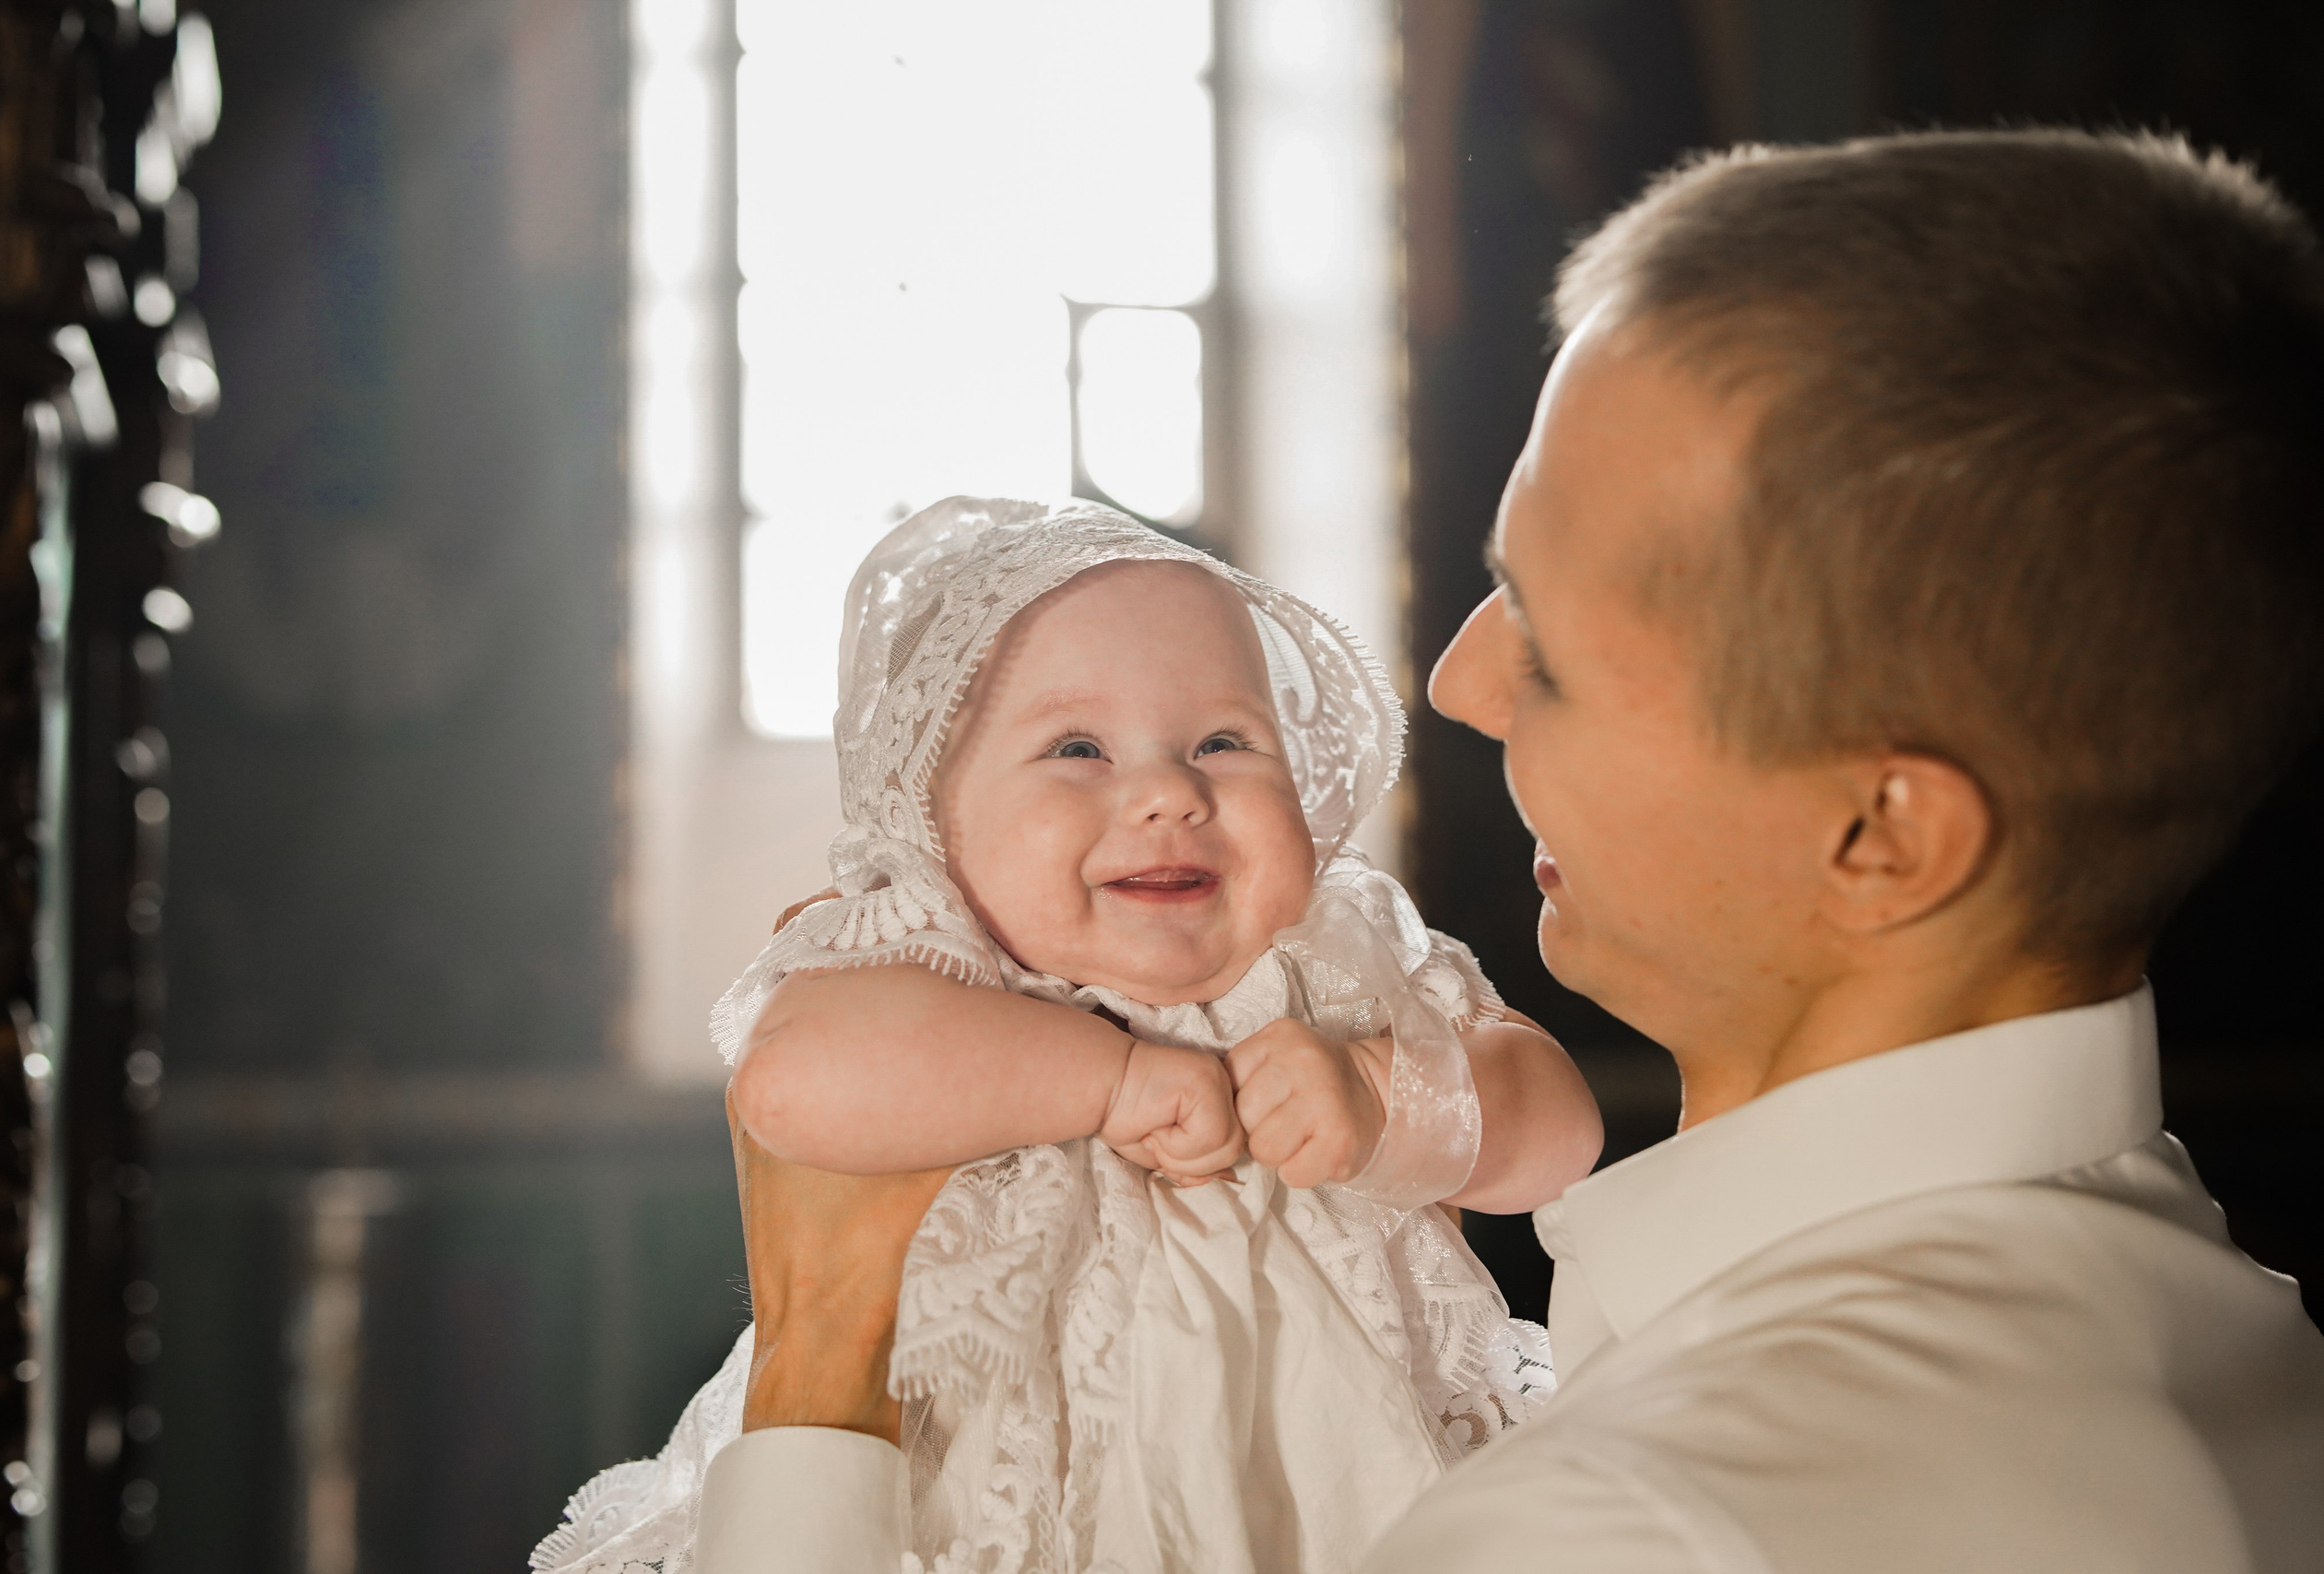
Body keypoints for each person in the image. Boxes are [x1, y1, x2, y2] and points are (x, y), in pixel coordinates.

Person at [692, 128, 2324, 1572]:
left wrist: (816, 1381)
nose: (1456, 686)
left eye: (1548, 639)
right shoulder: (2235, 1333)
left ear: (1882, 832)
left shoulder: (1624, 1527)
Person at [533, 498, 1603, 1574]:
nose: (1168, 793)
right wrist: (1112, 1080)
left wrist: (1383, 1099)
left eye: (1225, 741)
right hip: (1010, 1514)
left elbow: (1556, 1129)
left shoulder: (1340, 952)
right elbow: (788, 1082)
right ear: (934, 816)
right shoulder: (933, 950)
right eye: (1077, 747)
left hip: (1357, 1506)